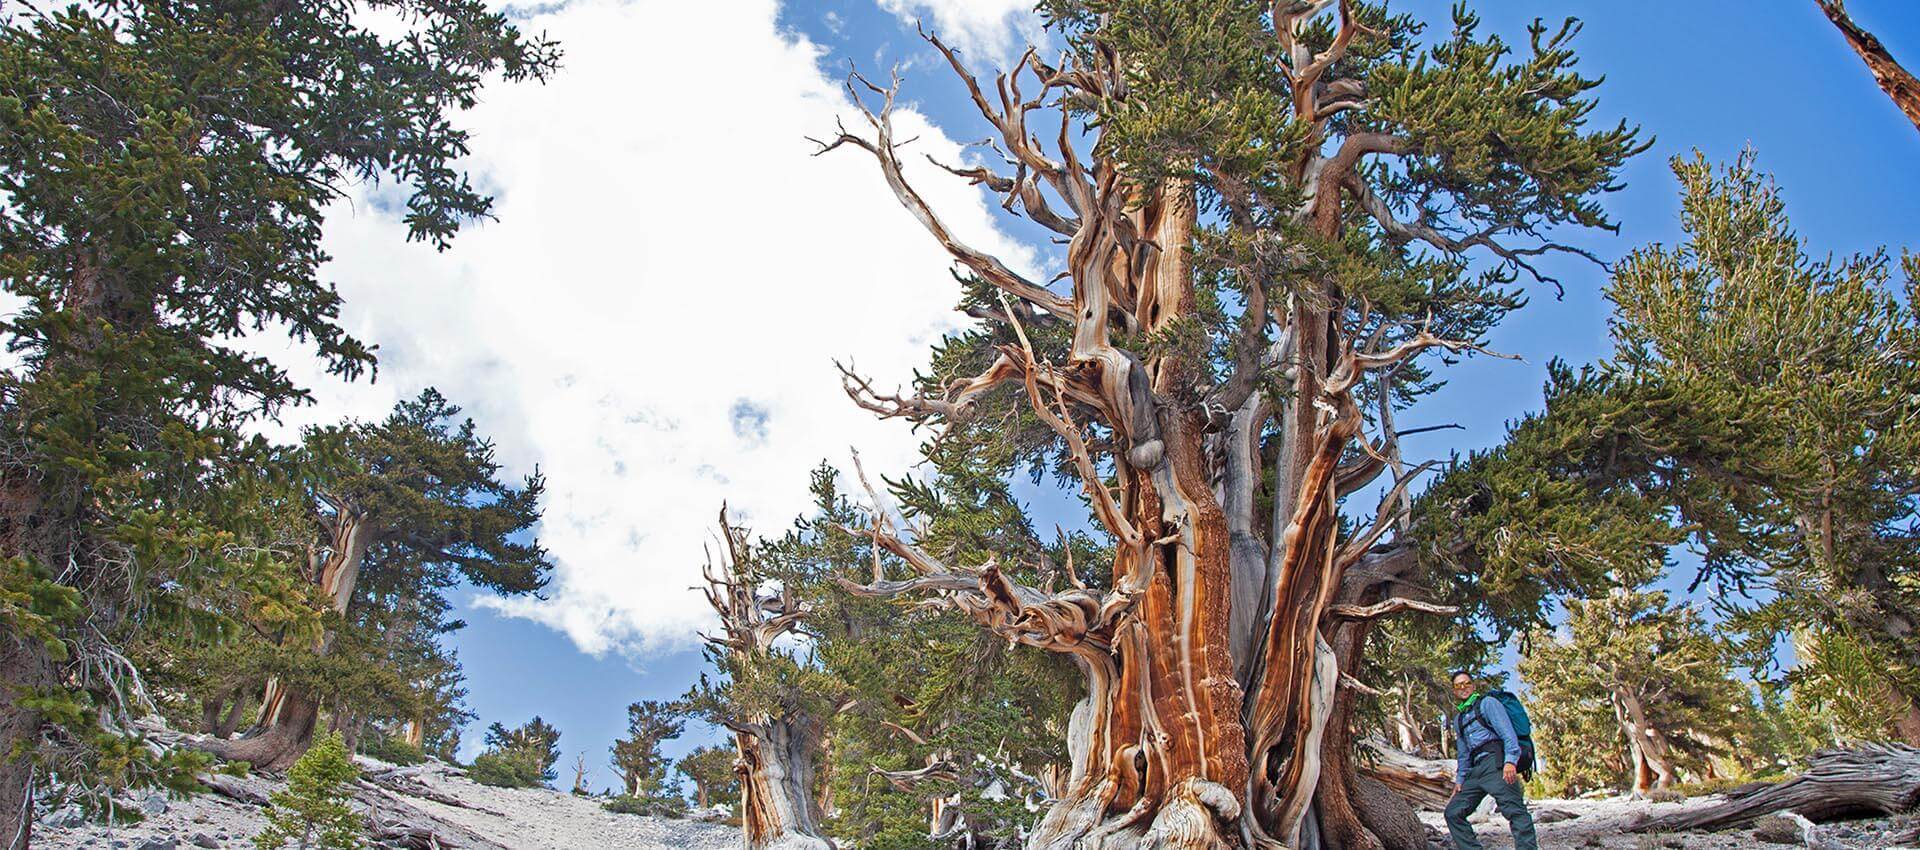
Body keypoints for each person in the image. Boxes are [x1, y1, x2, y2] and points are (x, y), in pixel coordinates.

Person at [1444, 670, 1538, 850]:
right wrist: (1460, 780)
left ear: (1473, 685)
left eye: (1466, 683)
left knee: (1515, 811)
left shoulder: (1488, 704)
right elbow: (1463, 755)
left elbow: (1507, 733)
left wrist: (1510, 761)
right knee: (1453, 812)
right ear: (1454, 691)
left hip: (1496, 763)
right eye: (1458, 685)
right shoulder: (1459, 719)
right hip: (1475, 771)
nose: (1463, 688)